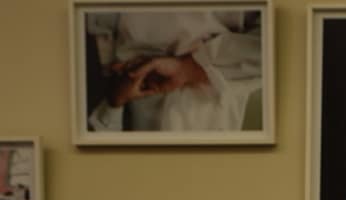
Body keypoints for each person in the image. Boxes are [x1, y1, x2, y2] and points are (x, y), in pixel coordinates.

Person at [85, 10, 263, 132]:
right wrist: (114, 100)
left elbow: (268, 45)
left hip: (200, 103)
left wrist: (189, 69)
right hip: (126, 88)